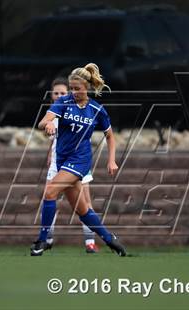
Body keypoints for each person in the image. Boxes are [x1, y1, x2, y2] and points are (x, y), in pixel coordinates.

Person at [31, 63, 126, 257]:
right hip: (62, 161)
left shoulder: (96, 109)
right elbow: (42, 122)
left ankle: (42, 241)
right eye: (72, 88)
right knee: (82, 210)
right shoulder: (64, 102)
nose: (74, 92)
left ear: (88, 87)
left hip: (80, 160)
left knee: (49, 192)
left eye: (78, 88)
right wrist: (48, 124)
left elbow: (110, 136)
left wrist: (112, 160)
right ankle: (111, 240)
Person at [44, 77, 99, 254]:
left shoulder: (77, 110)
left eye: (63, 92)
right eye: (56, 93)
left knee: (85, 201)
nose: (59, 95)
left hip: (77, 162)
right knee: (49, 196)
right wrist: (50, 153)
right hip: (57, 163)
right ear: (51, 96)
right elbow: (53, 138)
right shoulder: (52, 114)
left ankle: (90, 242)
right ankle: (47, 239)